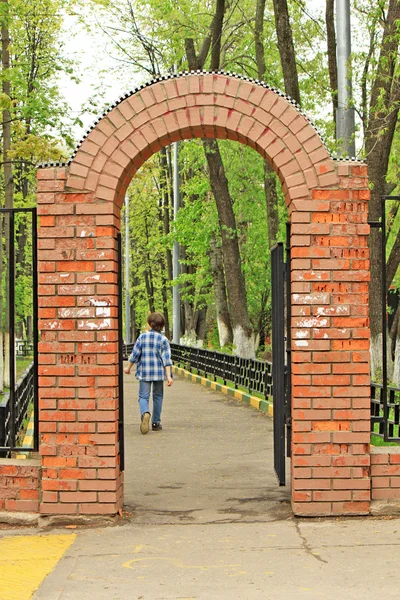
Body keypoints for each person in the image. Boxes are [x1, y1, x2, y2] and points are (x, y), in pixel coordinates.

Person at [124, 312, 173, 434]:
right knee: (158, 396)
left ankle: (145, 412)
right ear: (161, 326)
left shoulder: (142, 337)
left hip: (144, 373)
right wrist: (168, 376)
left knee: (143, 397)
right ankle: (156, 422)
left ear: (150, 324)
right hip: (158, 374)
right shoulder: (164, 340)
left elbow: (135, 355)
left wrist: (128, 367)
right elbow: (166, 359)